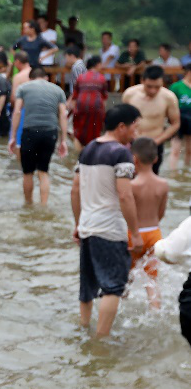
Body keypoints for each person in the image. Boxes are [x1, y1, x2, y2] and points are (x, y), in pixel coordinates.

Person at [71, 104, 142, 338]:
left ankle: (83, 329)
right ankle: (100, 340)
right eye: (134, 127)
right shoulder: (121, 153)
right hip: (109, 228)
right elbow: (125, 195)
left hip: (87, 226)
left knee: (87, 286)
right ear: (122, 126)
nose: (136, 133)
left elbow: (74, 189)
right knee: (114, 287)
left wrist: (77, 223)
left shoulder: (88, 148)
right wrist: (135, 232)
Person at [9, 67, 68, 205]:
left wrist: (12, 137)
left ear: (30, 78)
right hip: (50, 132)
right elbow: (63, 115)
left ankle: (28, 204)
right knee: (43, 171)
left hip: (30, 132)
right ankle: (44, 205)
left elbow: (17, 112)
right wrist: (63, 140)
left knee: (28, 172)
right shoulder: (58, 90)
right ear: (46, 78)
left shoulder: (23, 88)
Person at [128, 137, 168, 309]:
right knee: (152, 279)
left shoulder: (132, 185)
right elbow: (161, 213)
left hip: (134, 234)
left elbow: (127, 213)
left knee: (126, 276)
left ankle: (119, 305)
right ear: (156, 159)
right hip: (155, 233)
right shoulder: (163, 184)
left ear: (134, 159)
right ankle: (156, 310)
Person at [122, 65, 180, 173]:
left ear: (162, 82)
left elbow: (175, 124)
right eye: (149, 86)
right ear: (142, 80)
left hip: (155, 143)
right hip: (132, 142)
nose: (153, 91)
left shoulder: (169, 97)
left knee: (152, 177)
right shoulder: (129, 94)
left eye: (157, 87)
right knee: (128, 176)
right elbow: (123, 120)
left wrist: (157, 141)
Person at [72, 56, 108, 149]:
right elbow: (104, 100)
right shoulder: (102, 78)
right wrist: (103, 115)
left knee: (78, 134)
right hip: (96, 108)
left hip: (81, 107)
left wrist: (72, 112)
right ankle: (92, 156)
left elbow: (74, 97)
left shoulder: (80, 77)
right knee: (95, 132)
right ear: (97, 65)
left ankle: (78, 158)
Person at [169, 63, 191, 168]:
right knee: (175, 150)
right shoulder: (176, 86)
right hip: (179, 118)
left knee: (189, 151)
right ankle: (173, 174)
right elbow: (169, 105)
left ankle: (186, 172)